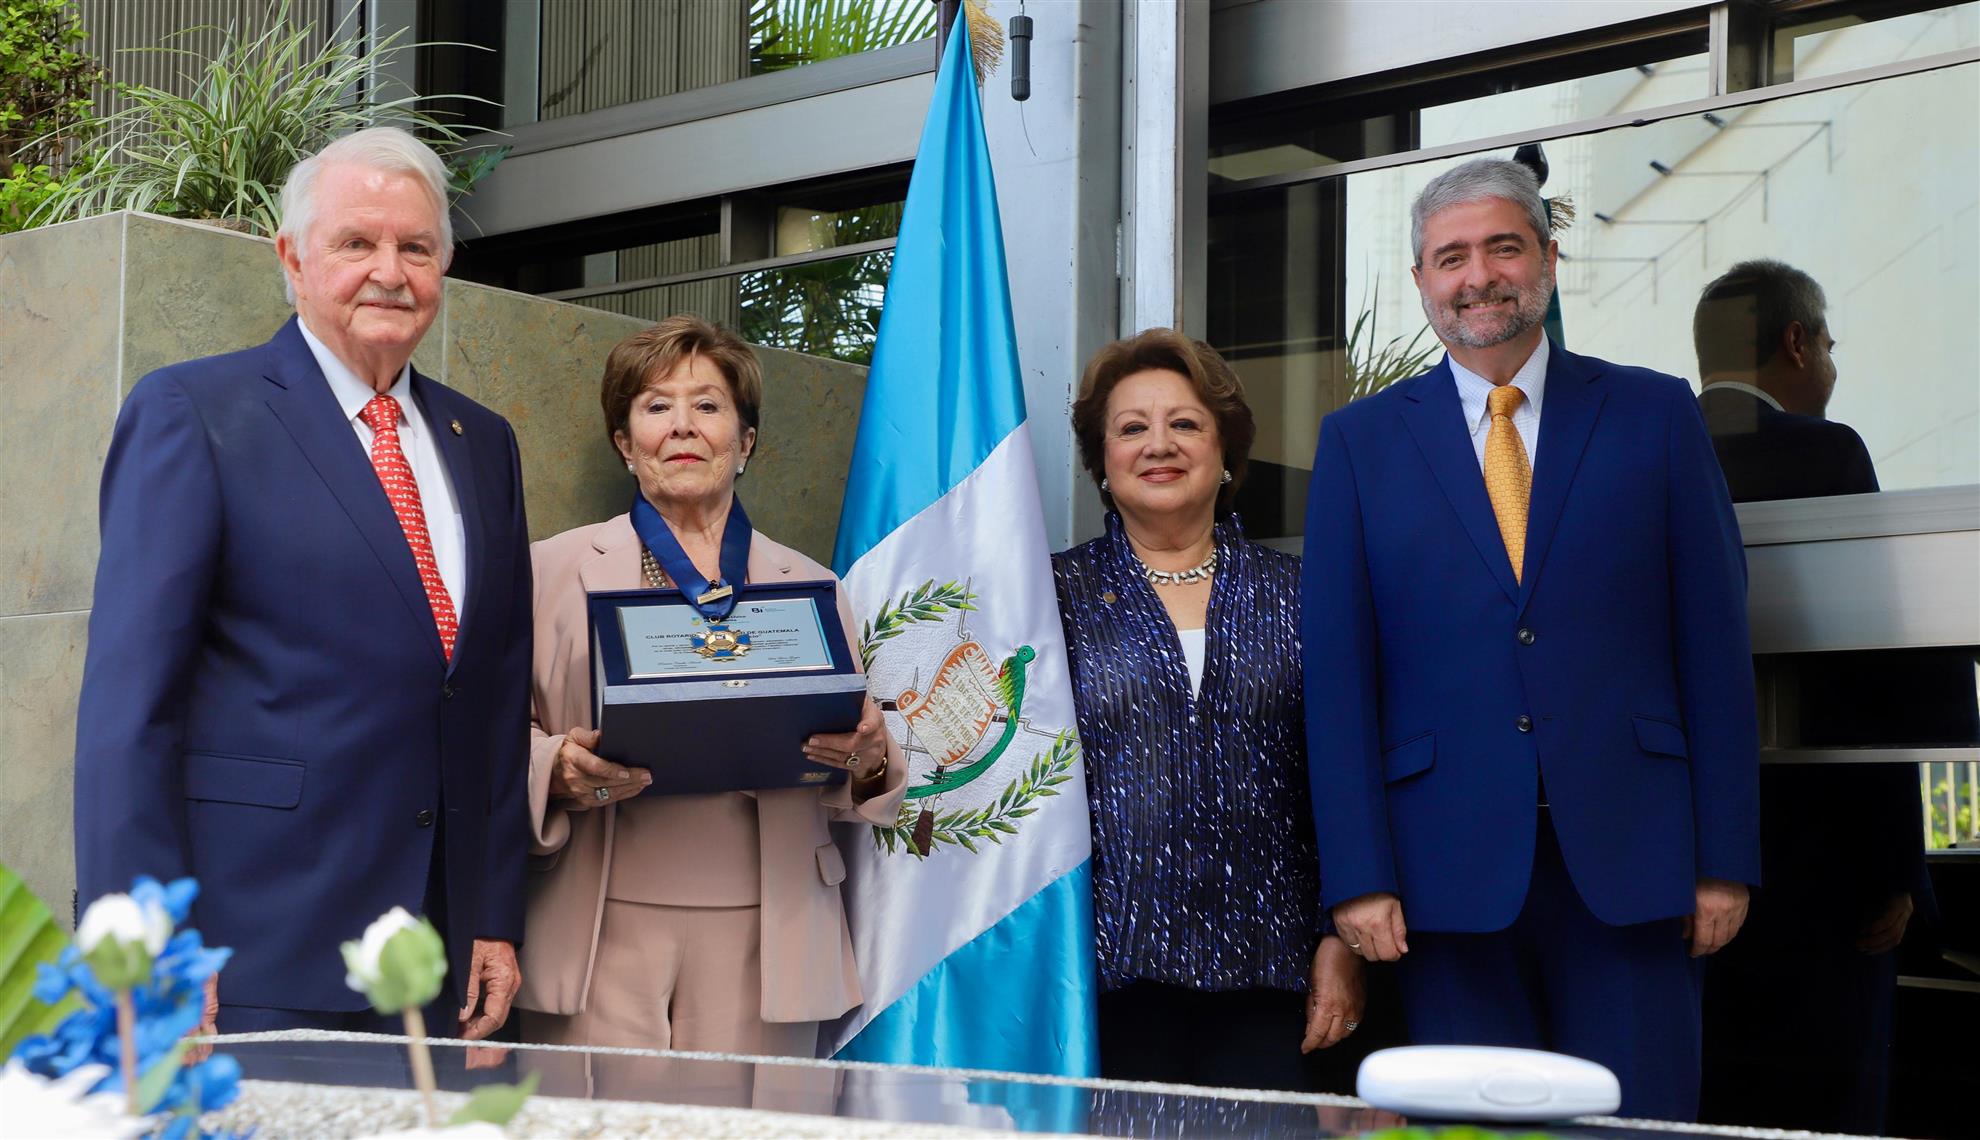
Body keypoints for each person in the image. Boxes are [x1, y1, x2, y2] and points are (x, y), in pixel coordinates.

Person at [1302, 157, 1760, 1121]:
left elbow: (1715, 649)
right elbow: (1340, 682)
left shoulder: (1655, 413)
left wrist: (1724, 857)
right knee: (1475, 1134)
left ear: (1549, 259)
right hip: (1442, 876)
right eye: (1451, 257)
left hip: (1637, 858)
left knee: (1641, 1124)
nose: (1479, 276)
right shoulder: (1359, 444)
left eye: (1502, 247)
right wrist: (1358, 879)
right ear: (1422, 280)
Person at [73, 127, 532, 1040]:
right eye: (357, 243)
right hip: (249, 948)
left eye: (416, 247)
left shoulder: (483, 443)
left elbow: (492, 698)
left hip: (436, 955)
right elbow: (131, 709)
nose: (390, 272)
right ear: (292, 258)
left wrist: (492, 911)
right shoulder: (194, 412)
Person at [515, 315, 907, 1097]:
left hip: (772, 932)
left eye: (708, 405)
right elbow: (487, 734)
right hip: (596, 925)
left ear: (746, 440)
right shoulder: (547, 571)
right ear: (625, 443)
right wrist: (550, 766)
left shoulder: (814, 586)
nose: (683, 426)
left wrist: (869, 758)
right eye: (657, 406)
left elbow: (857, 754)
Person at [1053, 328, 1364, 1092]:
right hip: (1098, 979)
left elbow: (1346, 776)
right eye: (1132, 428)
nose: (1159, 444)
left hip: (1276, 977)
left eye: (1185, 423)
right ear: (1102, 461)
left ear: (1225, 451)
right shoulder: (1048, 596)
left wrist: (1341, 937)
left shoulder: (1302, 593)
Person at [1692, 259, 1943, 1134]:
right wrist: (1898, 868)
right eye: (1830, 343)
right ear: (1795, 342)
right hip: (1824, 861)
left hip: (1685, 856)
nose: (1832, 364)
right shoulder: (1824, 450)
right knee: (1827, 1105)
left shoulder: (1653, 452)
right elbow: (1875, 672)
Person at [1692, 258, 1878, 500]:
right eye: (1828, 350)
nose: (1833, 371)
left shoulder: (1658, 450)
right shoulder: (1829, 450)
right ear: (1796, 343)